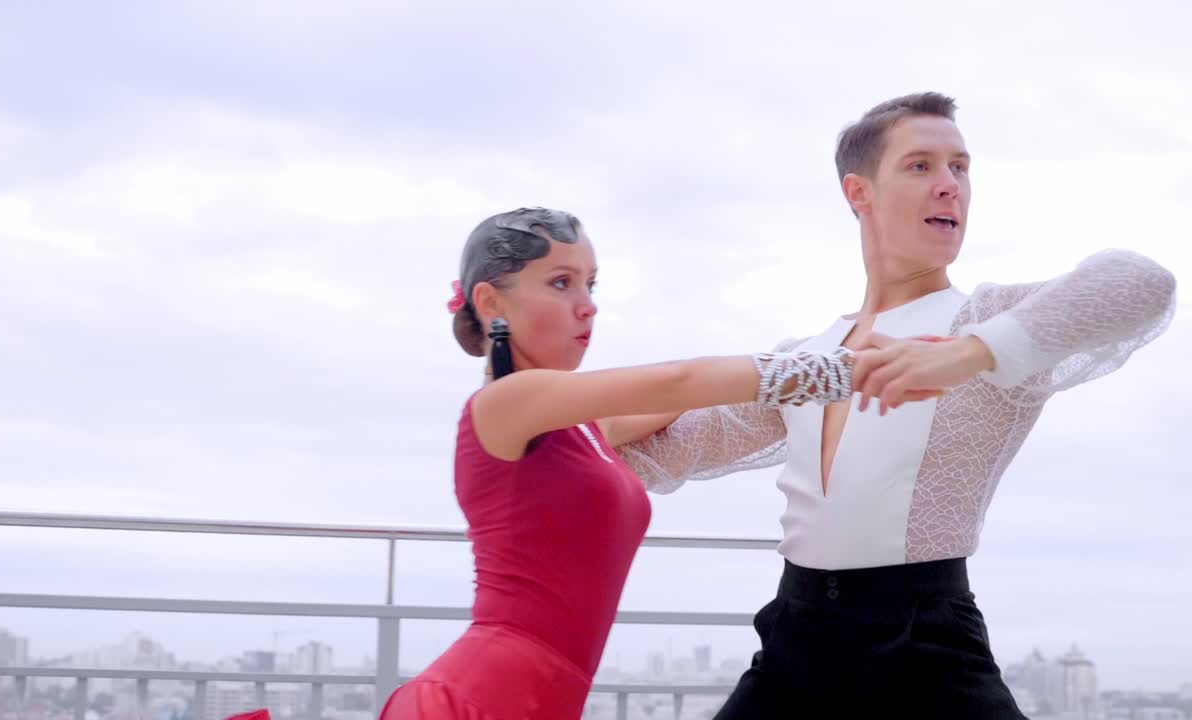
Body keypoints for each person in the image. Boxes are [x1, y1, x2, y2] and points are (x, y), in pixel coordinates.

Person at [618, 91, 1178, 718]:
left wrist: (968, 352)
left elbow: (1142, 283)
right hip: (792, 643)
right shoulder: (808, 354)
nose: (950, 186)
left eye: (960, 167)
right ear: (859, 194)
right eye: (921, 166)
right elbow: (659, 453)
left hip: (927, 649)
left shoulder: (981, 321)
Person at [378, 207, 939, 720]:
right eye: (560, 282)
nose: (588, 303)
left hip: (543, 697)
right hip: (473, 699)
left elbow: (685, 399)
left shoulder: (581, 430)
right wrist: (847, 369)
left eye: (590, 283)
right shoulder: (504, 404)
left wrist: (839, 342)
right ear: (490, 302)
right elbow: (678, 378)